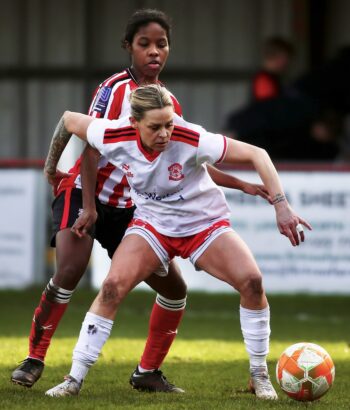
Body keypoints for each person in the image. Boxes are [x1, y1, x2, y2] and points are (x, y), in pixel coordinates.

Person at [11, 9, 270, 392]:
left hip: (132, 206)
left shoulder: (168, 104)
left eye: (161, 44)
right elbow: (90, 145)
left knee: (174, 289)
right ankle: (35, 358)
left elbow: (188, 164)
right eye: (144, 43)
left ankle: (147, 371)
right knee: (70, 269)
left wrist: (241, 184)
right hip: (84, 193)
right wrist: (68, 185)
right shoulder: (114, 88)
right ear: (128, 47)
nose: (154, 51)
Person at [44, 84, 311, 400]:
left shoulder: (191, 137)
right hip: (152, 225)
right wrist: (51, 169)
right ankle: (73, 380)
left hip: (203, 224)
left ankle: (259, 376)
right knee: (111, 287)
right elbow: (69, 120)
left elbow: (258, 154)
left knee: (252, 282)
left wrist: (281, 205)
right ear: (134, 124)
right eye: (155, 127)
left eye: (169, 124)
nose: (165, 133)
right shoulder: (113, 134)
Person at [251, 37, 294, 102]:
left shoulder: (273, 77)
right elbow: (269, 108)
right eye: (286, 57)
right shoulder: (263, 80)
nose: (287, 62)